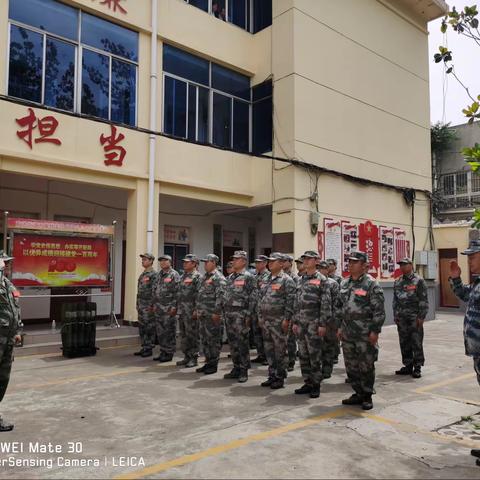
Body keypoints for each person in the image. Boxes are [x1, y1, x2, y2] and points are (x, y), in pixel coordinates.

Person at [338, 251, 385, 410]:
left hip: (364, 333)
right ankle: (357, 392)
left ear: (364, 265)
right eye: (349, 262)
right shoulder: (344, 283)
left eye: (355, 262)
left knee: (366, 365)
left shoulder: (371, 284)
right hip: (347, 332)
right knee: (351, 366)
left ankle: (367, 395)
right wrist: (339, 327)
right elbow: (340, 307)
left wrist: (375, 331)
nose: (350, 264)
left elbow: (378, 311)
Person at [449, 240, 480, 467]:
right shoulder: (478, 284)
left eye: (472, 256)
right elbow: (463, 294)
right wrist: (456, 277)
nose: (469, 260)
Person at [292, 251, 332, 399]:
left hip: (314, 324)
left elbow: (326, 304)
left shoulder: (322, 280)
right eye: (305, 259)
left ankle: (316, 384)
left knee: (314, 355)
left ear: (316, 261)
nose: (306, 261)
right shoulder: (300, 279)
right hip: (301, 323)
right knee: (303, 354)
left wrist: (322, 324)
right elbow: (296, 302)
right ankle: (307, 381)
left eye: (309, 259)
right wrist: (295, 321)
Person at [258, 252, 296, 389]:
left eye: (273, 261)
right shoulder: (266, 278)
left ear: (281, 263)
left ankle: (280, 377)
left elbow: (290, 302)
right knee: (268, 350)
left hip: (279, 321)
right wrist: (260, 317)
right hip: (266, 321)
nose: (270, 263)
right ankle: (272, 374)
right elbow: (260, 299)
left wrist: (287, 320)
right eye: (269, 261)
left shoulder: (287, 280)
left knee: (280, 350)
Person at [223, 251, 256, 383]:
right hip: (229, 315)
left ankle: (243, 370)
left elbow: (253, 297)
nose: (234, 261)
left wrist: (249, 315)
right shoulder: (230, 277)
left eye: (237, 259)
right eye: (233, 259)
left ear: (243, 261)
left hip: (241, 316)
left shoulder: (248, 277)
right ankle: (236, 367)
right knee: (233, 344)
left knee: (242, 343)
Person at [393, 257, 429, 379]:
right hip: (401, 317)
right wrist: (395, 315)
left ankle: (417, 367)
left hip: (414, 317)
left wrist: (421, 316)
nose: (402, 267)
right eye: (400, 265)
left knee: (416, 341)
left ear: (411, 265)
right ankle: (408, 365)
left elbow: (424, 299)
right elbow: (395, 300)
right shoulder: (397, 281)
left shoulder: (419, 281)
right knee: (404, 342)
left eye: (404, 264)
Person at [0, 251, 22, 432]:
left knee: (2, 379)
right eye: (3, 262)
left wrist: (18, 331)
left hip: (7, 341)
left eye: (8, 263)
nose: (6, 265)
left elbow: (15, 309)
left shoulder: (8, 285)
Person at [195, 254, 226, 375]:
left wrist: (217, 312)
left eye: (207, 262)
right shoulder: (204, 277)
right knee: (205, 340)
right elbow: (200, 295)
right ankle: (208, 362)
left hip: (213, 315)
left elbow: (221, 297)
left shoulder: (218, 277)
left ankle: (213, 364)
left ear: (213, 262)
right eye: (204, 262)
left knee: (213, 340)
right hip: (203, 314)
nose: (205, 264)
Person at [176, 254, 202, 368]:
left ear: (194, 264)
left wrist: (196, 309)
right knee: (184, 335)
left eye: (187, 262)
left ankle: (194, 358)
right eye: (184, 262)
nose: (184, 263)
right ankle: (186, 356)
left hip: (191, 311)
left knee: (193, 335)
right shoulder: (183, 276)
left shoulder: (198, 277)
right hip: (182, 311)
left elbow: (199, 295)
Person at [152, 254, 180, 362]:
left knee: (169, 331)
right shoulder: (159, 275)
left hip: (168, 309)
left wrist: (174, 307)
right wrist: (154, 304)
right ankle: (163, 351)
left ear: (170, 262)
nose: (162, 262)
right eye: (161, 261)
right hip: (159, 308)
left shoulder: (174, 274)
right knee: (160, 332)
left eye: (165, 260)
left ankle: (169, 353)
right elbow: (154, 290)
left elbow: (177, 292)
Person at [317, 260, 340, 379]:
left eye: (322, 268)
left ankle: (327, 369)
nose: (320, 271)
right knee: (318, 347)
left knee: (328, 346)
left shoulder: (333, 283)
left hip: (330, 321)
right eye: (318, 268)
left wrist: (334, 321)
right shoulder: (315, 282)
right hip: (317, 320)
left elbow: (336, 303)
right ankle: (318, 369)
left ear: (327, 270)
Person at [134, 253, 157, 358]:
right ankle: (144, 346)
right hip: (141, 305)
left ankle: (149, 348)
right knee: (142, 327)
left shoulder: (153, 274)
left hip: (148, 306)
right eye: (142, 259)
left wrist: (152, 305)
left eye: (145, 259)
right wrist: (137, 304)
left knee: (149, 327)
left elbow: (155, 291)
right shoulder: (143, 274)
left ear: (151, 261)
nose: (143, 261)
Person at [251, 255, 270, 365]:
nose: (257, 264)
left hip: (263, 311)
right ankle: (260, 354)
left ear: (265, 263)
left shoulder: (268, 276)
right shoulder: (255, 276)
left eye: (259, 262)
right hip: (255, 309)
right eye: (256, 262)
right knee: (257, 333)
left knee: (265, 335)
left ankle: (268, 356)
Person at [284, 254, 299, 372]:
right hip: (279, 313)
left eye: (285, 261)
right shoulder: (278, 277)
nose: (283, 263)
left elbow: (295, 298)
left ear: (290, 263)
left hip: (290, 312)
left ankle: (291, 360)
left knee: (290, 339)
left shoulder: (294, 278)